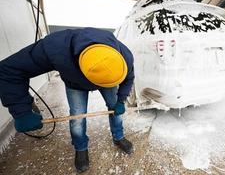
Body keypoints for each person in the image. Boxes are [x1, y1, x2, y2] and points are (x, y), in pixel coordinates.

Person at [0, 28, 135, 173]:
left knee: (115, 108)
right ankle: (81, 148)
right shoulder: (55, 47)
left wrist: (121, 100)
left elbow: (128, 79)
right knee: (77, 118)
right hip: (75, 83)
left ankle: (118, 136)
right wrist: (21, 111)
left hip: (107, 77)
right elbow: (9, 69)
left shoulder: (124, 55)